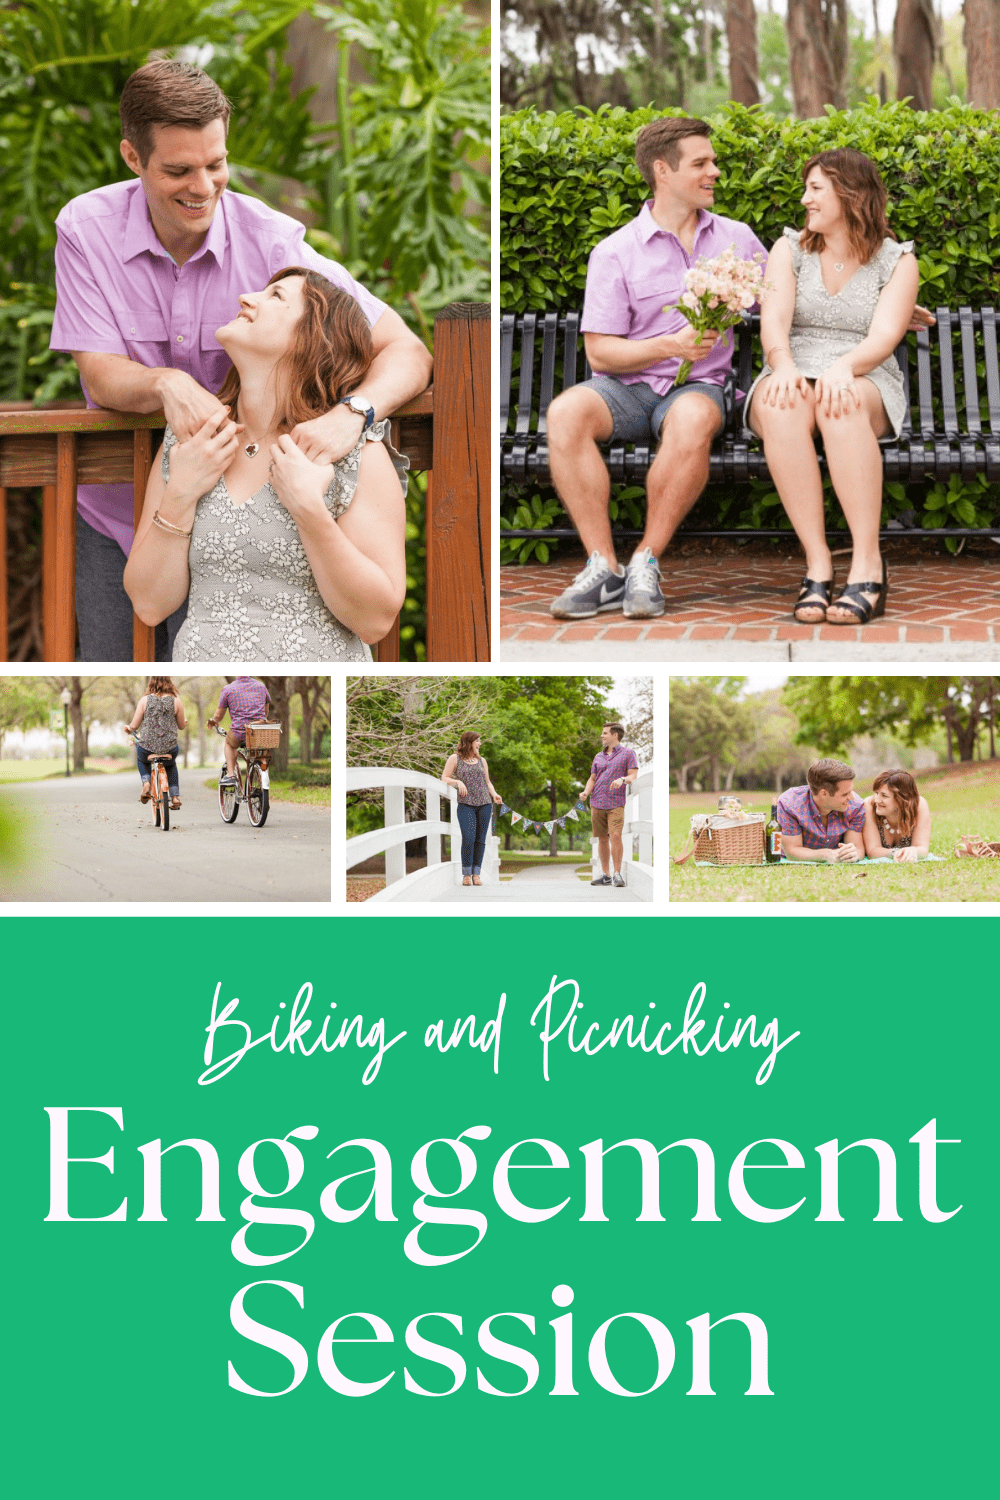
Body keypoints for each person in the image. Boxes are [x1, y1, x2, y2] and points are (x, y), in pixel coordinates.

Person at [49, 59, 432, 662]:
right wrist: (166, 384)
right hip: (122, 508)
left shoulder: (273, 242)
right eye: (179, 169)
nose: (203, 186)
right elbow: (98, 370)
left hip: (267, 507)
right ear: (133, 157)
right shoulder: (86, 228)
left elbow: (405, 348)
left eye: (217, 164)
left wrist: (353, 415)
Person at [545, 117, 768, 620]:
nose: (715, 172)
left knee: (689, 420)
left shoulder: (737, 238)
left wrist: (884, 311)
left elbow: (781, 303)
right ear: (663, 170)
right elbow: (600, 354)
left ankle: (646, 560)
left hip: (701, 390)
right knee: (565, 412)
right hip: (627, 391)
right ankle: (602, 567)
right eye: (702, 163)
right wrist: (670, 344)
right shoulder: (614, 252)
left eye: (713, 161)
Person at [123, 267, 408, 660]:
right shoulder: (192, 440)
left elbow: (375, 620)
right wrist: (181, 493)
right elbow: (149, 604)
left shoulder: (352, 451)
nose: (247, 298)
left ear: (313, 339)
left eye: (275, 297)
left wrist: (309, 509)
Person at [744, 149, 923, 626]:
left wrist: (843, 367)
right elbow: (775, 322)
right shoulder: (789, 250)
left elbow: (885, 336)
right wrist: (781, 364)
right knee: (782, 406)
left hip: (863, 372)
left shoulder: (898, 262)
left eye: (816, 189)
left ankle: (867, 562)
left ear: (851, 194)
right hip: (791, 365)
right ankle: (818, 564)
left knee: (839, 404)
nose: (805, 200)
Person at [580, 722, 639, 887]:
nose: (602, 736)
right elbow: (593, 778)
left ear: (615, 735)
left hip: (616, 802)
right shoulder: (598, 756)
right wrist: (586, 792)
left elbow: (633, 775)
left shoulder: (628, 754)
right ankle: (605, 875)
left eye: (605, 733)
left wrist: (622, 780)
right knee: (602, 839)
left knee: (615, 836)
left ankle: (617, 874)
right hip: (597, 801)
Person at [776, 758, 867, 863]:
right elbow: (792, 852)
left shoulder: (855, 806)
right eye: (845, 794)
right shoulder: (790, 804)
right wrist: (827, 855)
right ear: (824, 793)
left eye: (851, 790)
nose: (852, 797)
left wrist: (853, 855)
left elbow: (858, 850)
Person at [441, 733, 503, 887]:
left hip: (484, 804)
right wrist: (457, 781)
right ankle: (466, 875)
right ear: (469, 742)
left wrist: (494, 794)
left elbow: (487, 782)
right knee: (468, 837)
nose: (479, 744)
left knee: (480, 840)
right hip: (466, 804)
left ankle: (476, 874)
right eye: (477, 741)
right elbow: (444, 778)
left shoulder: (482, 761)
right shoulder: (454, 758)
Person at [125, 676, 186, 809]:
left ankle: (146, 783)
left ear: (151, 683)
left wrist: (129, 728)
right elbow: (181, 726)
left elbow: (134, 725)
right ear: (169, 683)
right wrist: (183, 723)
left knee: (141, 758)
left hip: (148, 747)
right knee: (170, 765)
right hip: (169, 748)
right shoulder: (176, 702)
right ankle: (175, 797)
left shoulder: (144, 700)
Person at [207, 677, 271, 787]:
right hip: (259, 731)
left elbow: (219, 715)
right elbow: (266, 711)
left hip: (239, 731)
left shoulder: (228, 689)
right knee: (260, 753)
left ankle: (231, 775)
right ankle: (262, 777)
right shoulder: (261, 686)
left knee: (229, 744)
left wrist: (214, 721)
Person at [862, 769, 931, 861]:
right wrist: (895, 853)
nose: (877, 800)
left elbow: (922, 849)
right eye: (876, 793)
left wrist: (913, 851)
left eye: (884, 795)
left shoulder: (919, 805)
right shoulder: (869, 805)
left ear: (901, 799)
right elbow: (872, 851)